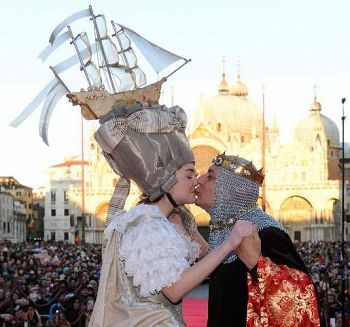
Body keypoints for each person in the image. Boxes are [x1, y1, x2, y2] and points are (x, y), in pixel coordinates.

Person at [88, 103, 257, 326]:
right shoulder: (147, 223)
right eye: (189, 175)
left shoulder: (162, 220)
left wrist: (188, 224)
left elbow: (205, 256)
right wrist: (230, 242)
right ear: (164, 178)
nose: (196, 181)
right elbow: (174, 290)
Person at [195, 153, 321, 327]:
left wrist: (257, 264)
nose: (199, 180)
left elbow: (303, 296)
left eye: (210, 177)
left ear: (230, 190)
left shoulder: (266, 233)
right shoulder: (223, 230)